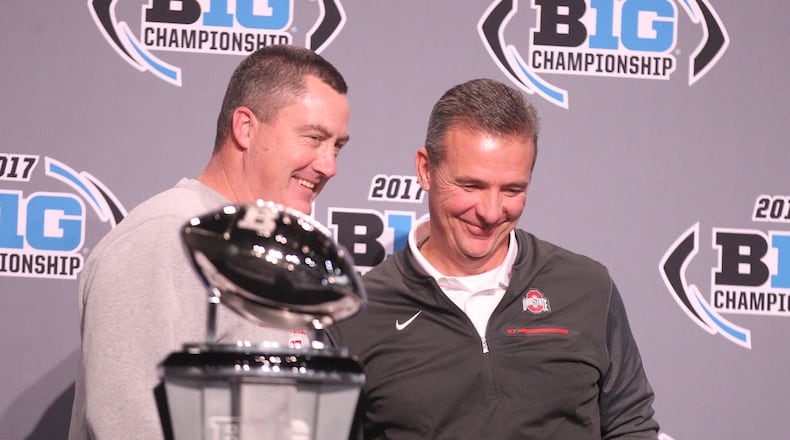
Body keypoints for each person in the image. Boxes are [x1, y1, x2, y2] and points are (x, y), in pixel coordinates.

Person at [328, 79, 659, 439]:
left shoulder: (586, 287)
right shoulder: (357, 314)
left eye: (512, 190)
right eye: (471, 186)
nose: (489, 212)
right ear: (425, 169)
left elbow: (631, 425)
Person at [69, 44, 351, 440]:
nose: (329, 165)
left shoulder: (273, 248)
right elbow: (129, 423)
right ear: (245, 128)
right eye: (313, 138)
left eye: (337, 145)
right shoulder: (166, 236)